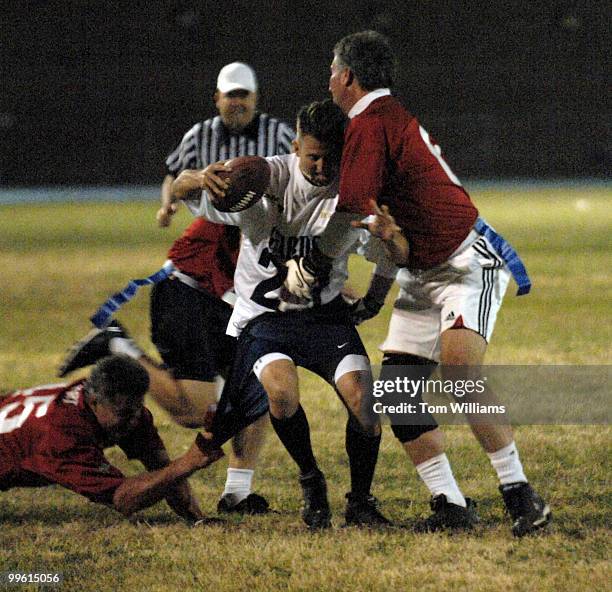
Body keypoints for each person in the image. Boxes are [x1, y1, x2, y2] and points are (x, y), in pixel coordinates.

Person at [284, 31, 551, 537]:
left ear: (347, 76)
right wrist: (377, 294)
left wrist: (314, 264)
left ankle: (521, 495)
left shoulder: (370, 120)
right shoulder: (377, 121)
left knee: (460, 375)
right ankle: (450, 502)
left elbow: (351, 207)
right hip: (421, 271)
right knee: (398, 396)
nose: (329, 79)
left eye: (332, 70)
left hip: (465, 261)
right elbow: (383, 221)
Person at [67, 62, 296, 516]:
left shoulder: (283, 145)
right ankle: (117, 344)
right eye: (229, 95)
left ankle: (237, 492)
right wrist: (174, 197)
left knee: (260, 387)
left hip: (230, 293)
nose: (236, 103)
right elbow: (182, 175)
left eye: (243, 96)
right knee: (195, 410)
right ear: (218, 98)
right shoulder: (206, 142)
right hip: (189, 288)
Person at [170, 99, 393, 530]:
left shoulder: (355, 191)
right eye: (313, 156)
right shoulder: (261, 179)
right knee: (282, 394)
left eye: (332, 157)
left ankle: (361, 501)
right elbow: (182, 187)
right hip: (264, 319)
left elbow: (391, 254)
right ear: (295, 148)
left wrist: (374, 299)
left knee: (365, 407)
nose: (323, 167)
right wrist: (200, 176)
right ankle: (311, 479)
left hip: (325, 317)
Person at [0, 355, 222, 520]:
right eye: (125, 414)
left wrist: (198, 519)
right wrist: (187, 463)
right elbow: (123, 499)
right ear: (94, 402)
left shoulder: (122, 408)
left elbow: (162, 468)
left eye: (138, 409)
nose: (134, 421)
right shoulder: (62, 433)